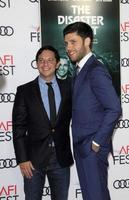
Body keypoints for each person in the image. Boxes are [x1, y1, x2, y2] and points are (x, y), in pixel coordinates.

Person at [63, 21, 122, 200]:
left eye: (73, 42)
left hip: (91, 147)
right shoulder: (80, 69)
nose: (68, 48)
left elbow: (114, 108)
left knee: (95, 195)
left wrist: (96, 142)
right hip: (83, 146)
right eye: (66, 43)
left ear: (87, 41)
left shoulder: (95, 69)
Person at [12, 45, 73, 200]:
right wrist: (22, 158)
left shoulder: (69, 88)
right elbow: (18, 128)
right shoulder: (24, 91)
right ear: (36, 63)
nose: (45, 64)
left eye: (50, 60)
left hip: (60, 158)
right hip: (33, 160)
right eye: (41, 60)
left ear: (57, 63)